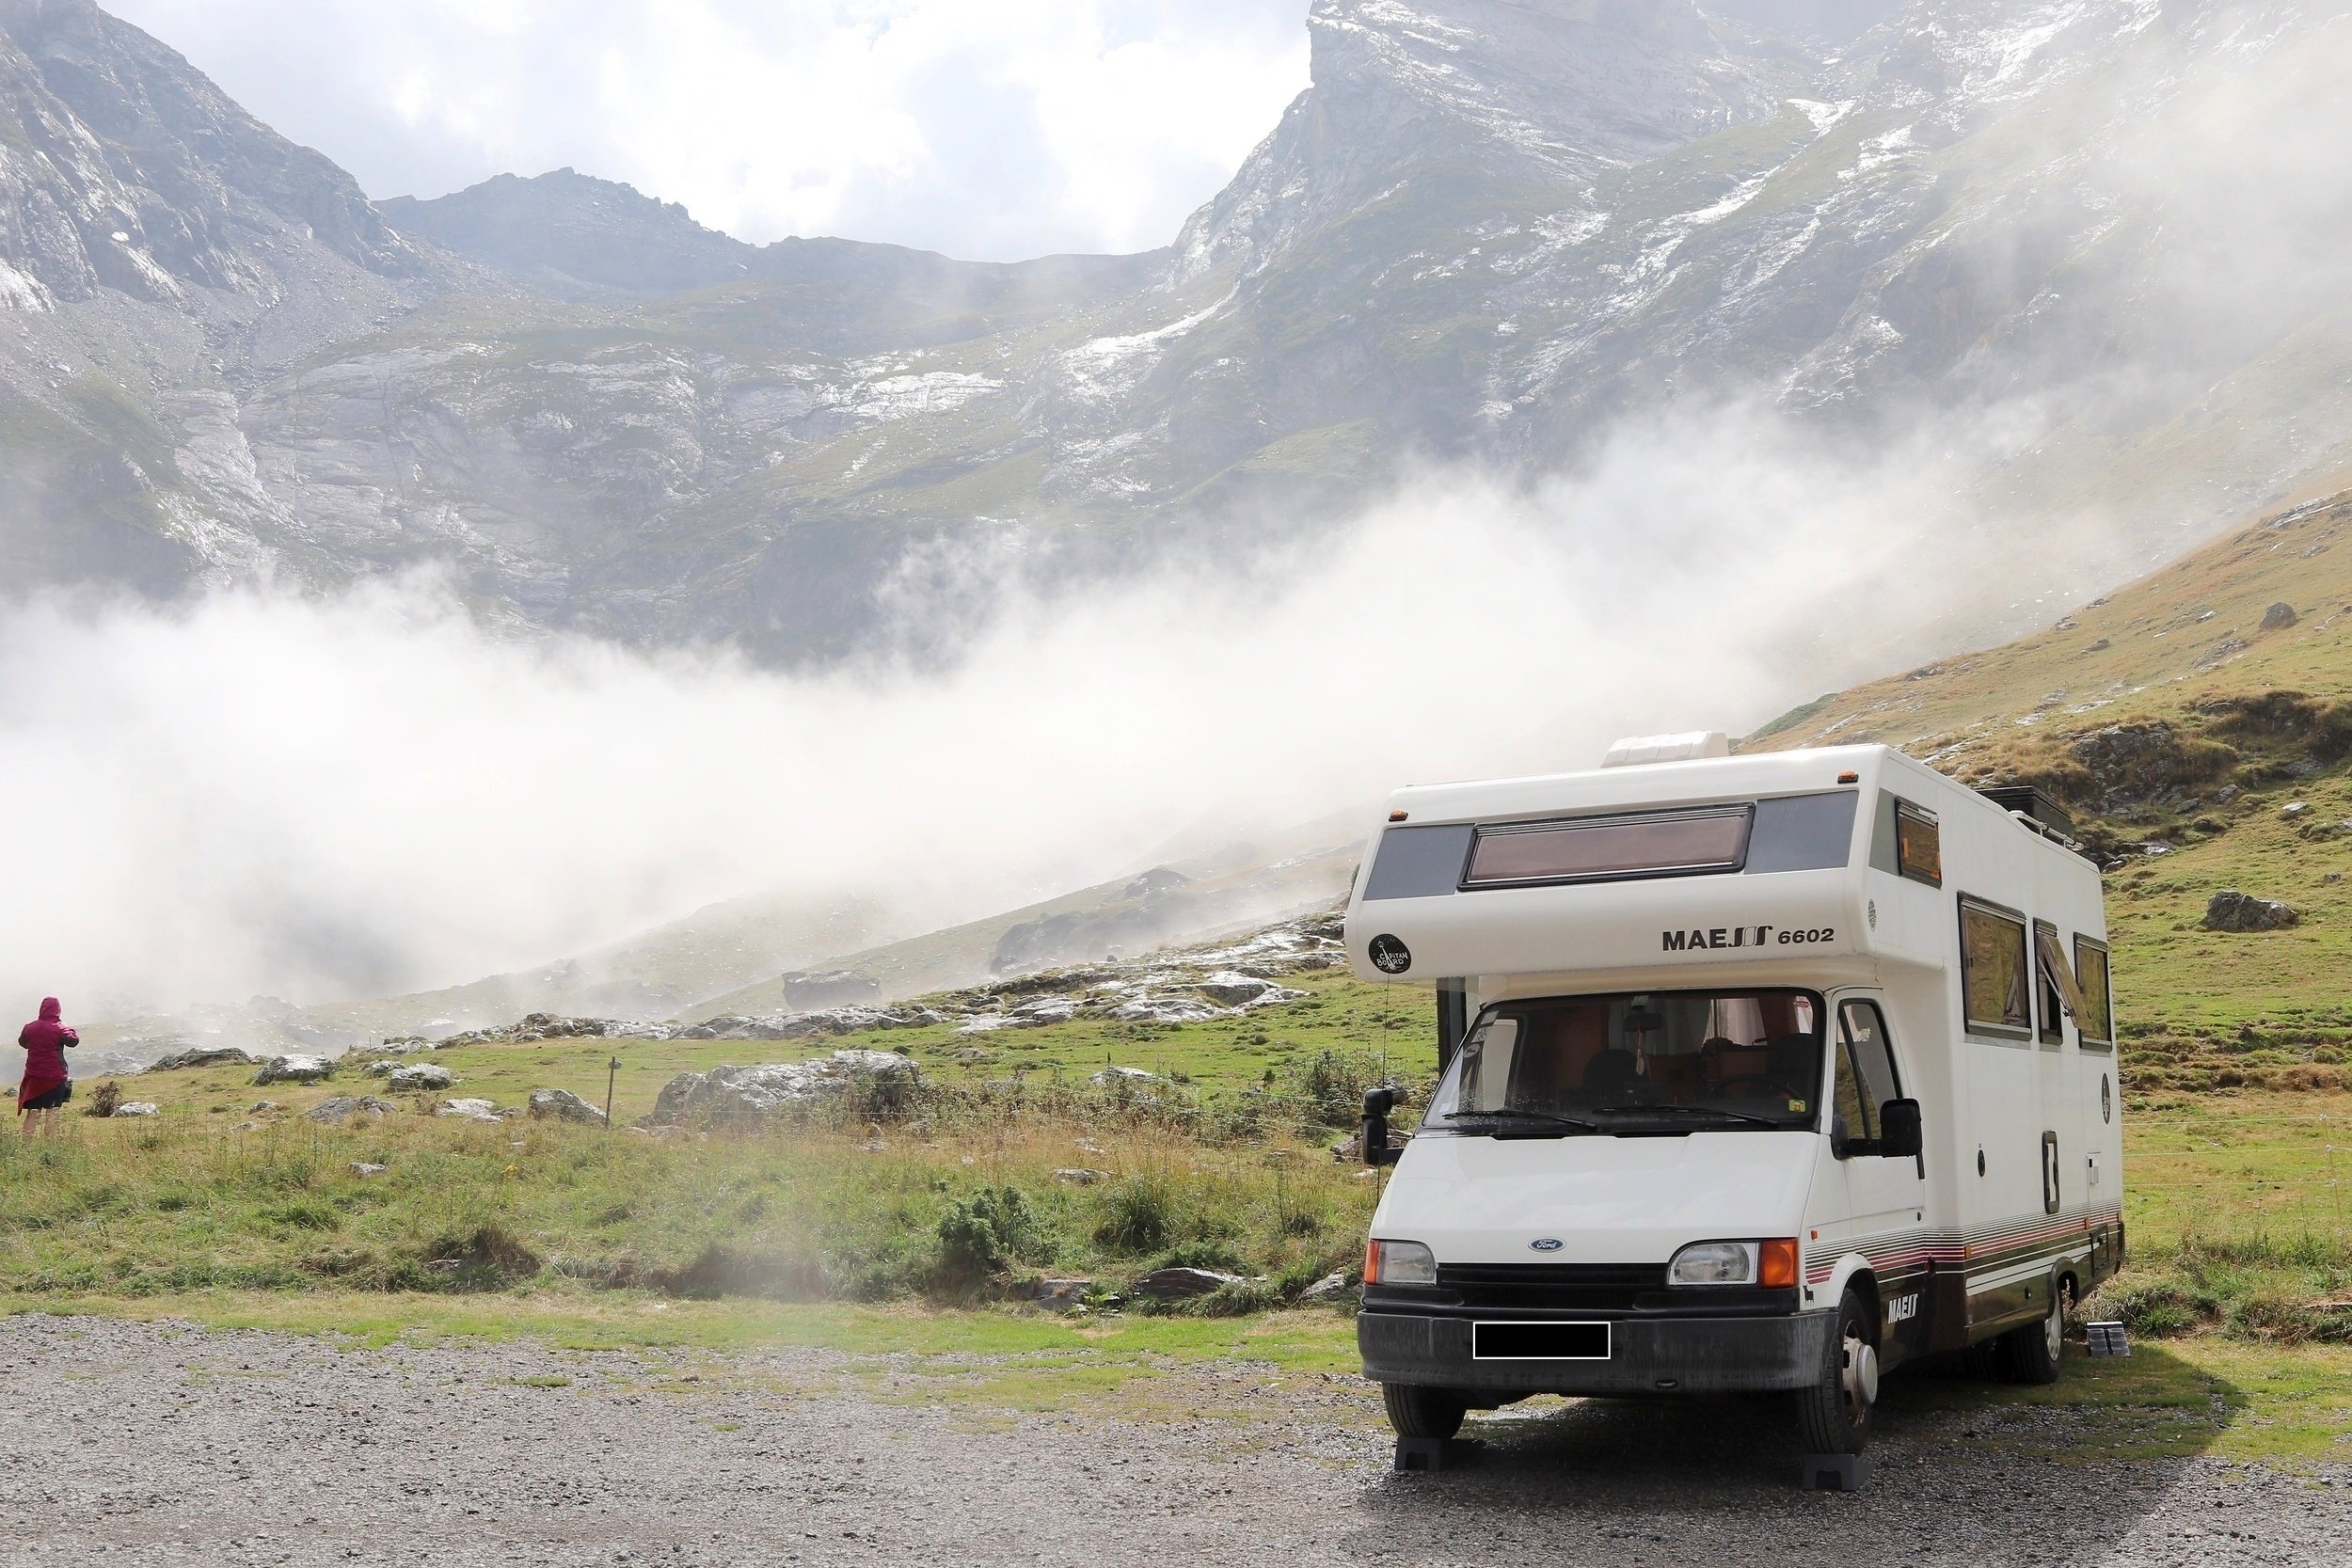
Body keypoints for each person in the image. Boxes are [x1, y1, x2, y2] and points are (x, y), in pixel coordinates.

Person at [17, 997, 78, 1138]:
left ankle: (26, 1146)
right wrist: (65, 1026)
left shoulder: (29, 1027)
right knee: (52, 1111)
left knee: (33, 1113)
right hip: (55, 1077)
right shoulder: (59, 1028)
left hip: (33, 1077)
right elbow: (73, 1041)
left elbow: (23, 1043)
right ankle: (50, 1144)